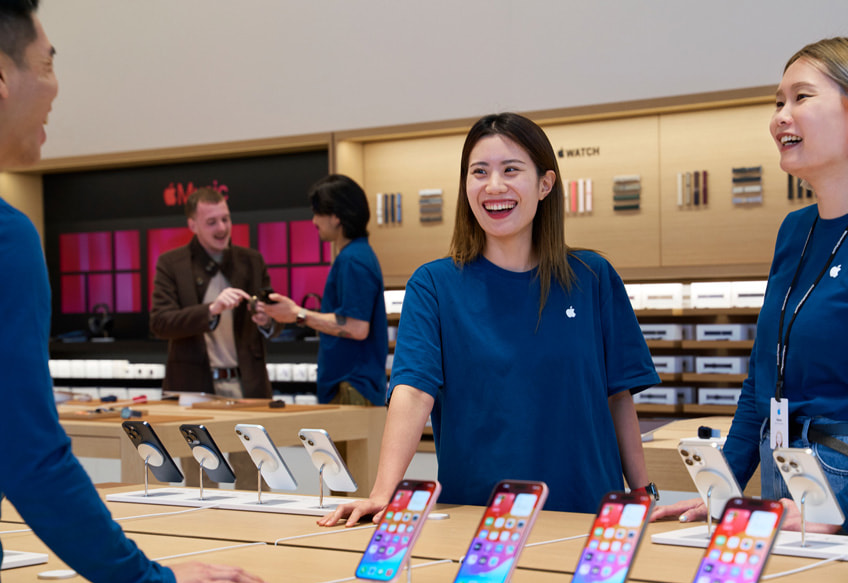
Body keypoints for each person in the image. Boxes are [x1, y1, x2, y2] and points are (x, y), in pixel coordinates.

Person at [0, 2, 267, 583]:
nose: (56, 85)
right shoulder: (8, 238)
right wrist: (147, 579)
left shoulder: (249, 261)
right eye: (47, 63)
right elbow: (29, 454)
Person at [652, 37, 848, 537]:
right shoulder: (794, 232)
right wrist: (721, 488)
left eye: (801, 97)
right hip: (788, 476)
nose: (780, 116)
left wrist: (842, 511)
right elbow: (762, 383)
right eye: (778, 102)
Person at [321, 112, 660, 524]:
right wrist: (382, 492)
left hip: (586, 512)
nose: (493, 186)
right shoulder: (434, 285)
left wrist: (643, 495)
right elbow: (412, 391)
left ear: (545, 184)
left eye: (511, 170)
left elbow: (617, 396)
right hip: (478, 517)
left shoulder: (592, 277)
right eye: (479, 172)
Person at [261, 174, 387, 407]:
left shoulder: (353, 260)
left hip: (352, 388)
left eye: (318, 212)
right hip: (350, 387)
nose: (313, 221)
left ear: (336, 216)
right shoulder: (354, 257)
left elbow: (356, 327)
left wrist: (299, 314)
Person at [150, 187, 278, 400]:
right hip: (192, 390)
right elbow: (160, 323)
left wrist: (267, 320)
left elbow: (274, 320)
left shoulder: (252, 261)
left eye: (225, 220)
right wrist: (210, 311)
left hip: (249, 388)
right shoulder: (172, 264)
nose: (222, 228)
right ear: (193, 225)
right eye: (212, 222)